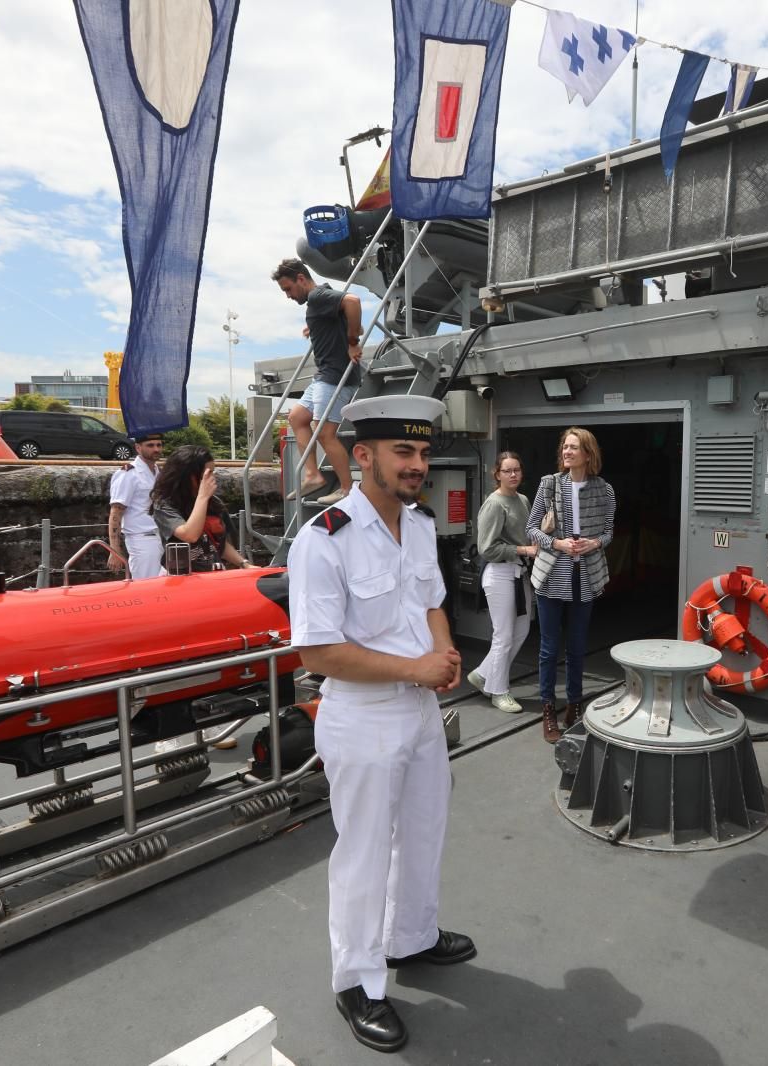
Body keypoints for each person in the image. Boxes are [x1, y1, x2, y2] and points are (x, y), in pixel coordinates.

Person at [287, 394, 476, 1055]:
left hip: (420, 710)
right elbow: (317, 653)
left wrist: (443, 656)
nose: (417, 464)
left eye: (423, 452)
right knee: (364, 854)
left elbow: (431, 602)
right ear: (363, 456)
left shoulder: (419, 525)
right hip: (362, 716)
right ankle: (357, 983)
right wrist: (416, 668)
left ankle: (411, 937)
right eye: (403, 451)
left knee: (424, 830)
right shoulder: (324, 539)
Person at [526, 427, 616, 744]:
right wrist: (557, 544)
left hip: (586, 575)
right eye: (565, 446)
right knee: (549, 648)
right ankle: (548, 708)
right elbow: (532, 529)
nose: (567, 451)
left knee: (577, 647)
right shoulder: (549, 484)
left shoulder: (604, 490)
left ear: (588, 454)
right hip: (553, 574)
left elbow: (608, 532)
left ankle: (575, 705)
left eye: (574, 447)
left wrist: (594, 543)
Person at [272, 259, 363, 504]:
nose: (288, 295)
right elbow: (347, 318)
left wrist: (353, 341)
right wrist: (316, 327)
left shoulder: (317, 296)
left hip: (335, 376)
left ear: (301, 279)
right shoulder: (322, 300)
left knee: (324, 433)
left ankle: (347, 488)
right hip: (324, 375)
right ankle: (313, 475)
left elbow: (353, 302)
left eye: (288, 289)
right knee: (297, 417)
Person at [468, 452, 537, 714]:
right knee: (503, 636)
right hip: (499, 574)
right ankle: (498, 691)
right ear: (497, 474)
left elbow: (525, 535)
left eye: (516, 470)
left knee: (521, 631)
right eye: (507, 471)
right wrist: (523, 550)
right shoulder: (494, 504)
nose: (513, 475)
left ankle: (483, 674)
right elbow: (486, 548)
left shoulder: (523, 500)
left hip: (519, 573)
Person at [150, 445, 253, 574]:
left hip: (212, 572)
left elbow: (220, 544)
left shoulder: (213, 502)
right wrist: (203, 497)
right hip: (181, 575)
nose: (213, 478)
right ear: (190, 476)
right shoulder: (165, 505)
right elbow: (189, 535)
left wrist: (244, 564)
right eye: (208, 473)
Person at [107, 434, 165, 579]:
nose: (156, 449)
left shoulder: (158, 472)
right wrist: (114, 550)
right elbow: (116, 512)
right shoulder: (128, 473)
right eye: (150, 445)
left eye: (159, 445)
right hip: (141, 539)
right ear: (138, 448)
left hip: (161, 536)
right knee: (146, 586)